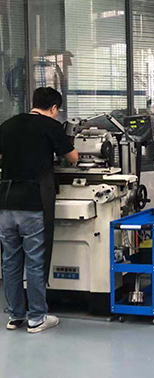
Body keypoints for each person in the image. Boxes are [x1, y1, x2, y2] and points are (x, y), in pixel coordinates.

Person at [0, 87, 78, 333]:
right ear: (54, 108)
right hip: (33, 203)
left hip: (6, 203)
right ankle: (37, 318)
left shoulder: (8, 124)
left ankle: (15, 316)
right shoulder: (50, 126)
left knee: (10, 262)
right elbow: (73, 158)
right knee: (34, 262)